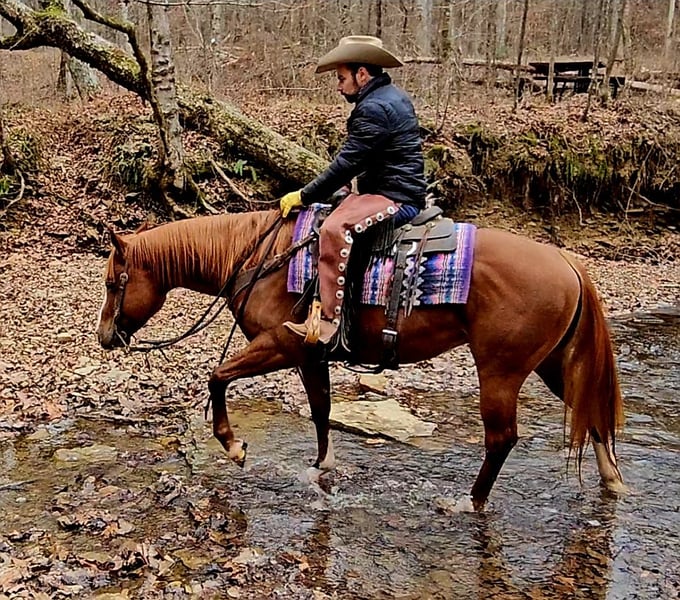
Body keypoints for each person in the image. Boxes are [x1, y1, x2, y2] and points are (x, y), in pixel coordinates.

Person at [280, 35, 427, 345]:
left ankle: (328, 322)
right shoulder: (391, 96)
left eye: (341, 78)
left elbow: (346, 163)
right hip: (393, 189)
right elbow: (369, 157)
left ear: (362, 74)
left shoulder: (374, 108)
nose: (338, 86)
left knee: (334, 228)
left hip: (395, 197)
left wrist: (304, 195)